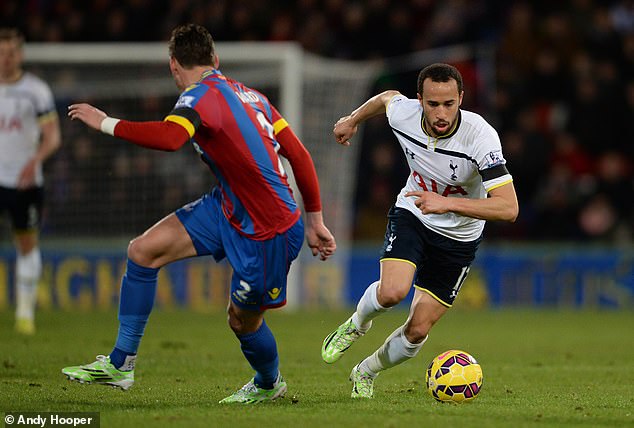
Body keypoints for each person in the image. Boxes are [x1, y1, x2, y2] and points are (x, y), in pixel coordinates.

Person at [61, 24, 336, 403]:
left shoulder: (198, 97)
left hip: (268, 230)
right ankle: (120, 363)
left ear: (174, 66)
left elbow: (172, 139)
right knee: (142, 251)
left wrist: (105, 122)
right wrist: (316, 218)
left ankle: (269, 384)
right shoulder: (252, 95)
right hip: (227, 206)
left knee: (241, 321)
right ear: (215, 60)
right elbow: (300, 155)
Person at [321, 63, 518, 398]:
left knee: (417, 329)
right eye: (432, 104)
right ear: (419, 100)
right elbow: (385, 98)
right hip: (414, 212)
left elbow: (508, 208)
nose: (441, 113)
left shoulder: (480, 137)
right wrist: (352, 120)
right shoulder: (404, 114)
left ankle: (365, 372)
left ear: (461, 99)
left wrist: (447, 204)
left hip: (459, 237)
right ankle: (357, 324)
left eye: (449, 104)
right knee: (392, 292)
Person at [0, 28, 61, 335]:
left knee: (26, 245)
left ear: (20, 55)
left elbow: (52, 137)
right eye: (1, 52)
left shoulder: (35, 90)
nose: (5, 59)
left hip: (25, 183)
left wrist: (34, 162)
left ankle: (25, 313)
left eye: (11, 52)